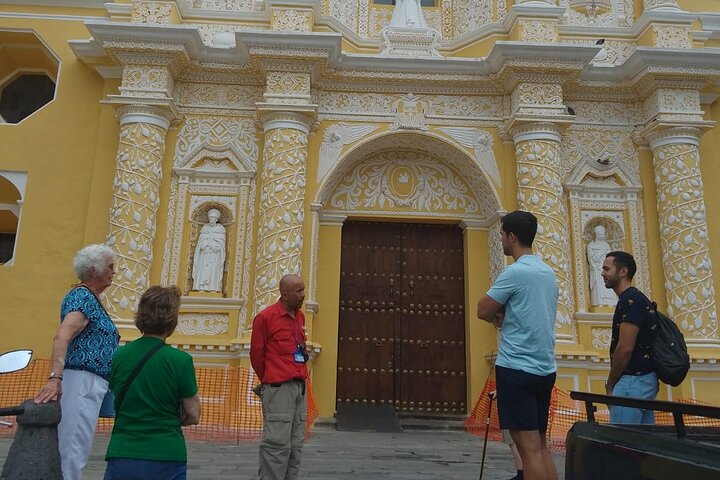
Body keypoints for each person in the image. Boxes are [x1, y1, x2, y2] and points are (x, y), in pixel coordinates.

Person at [476, 211, 559, 480]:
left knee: (529, 450)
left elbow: (483, 309)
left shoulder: (515, 272)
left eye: (501, 234)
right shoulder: (548, 273)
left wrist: (497, 316)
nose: (500, 238)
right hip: (545, 368)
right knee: (542, 447)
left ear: (512, 237)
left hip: (517, 368)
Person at [34, 244, 120, 480]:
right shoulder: (82, 297)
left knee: (77, 445)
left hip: (91, 383)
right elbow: (63, 335)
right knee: (72, 448)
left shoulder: (90, 298)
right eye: (110, 267)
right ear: (94, 270)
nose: (114, 272)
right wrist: (55, 378)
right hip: (81, 381)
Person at [103, 285, 201, 480]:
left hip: (123, 450)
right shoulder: (180, 361)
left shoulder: (118, 356)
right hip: (166, 452)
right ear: (172, 319)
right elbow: (193, 413)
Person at [250, 274, 309, 480]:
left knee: (295, 445)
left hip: (299, 387)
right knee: (277, 445)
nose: (303, 295)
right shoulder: (266, 318)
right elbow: (256, 355)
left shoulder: (300, 317)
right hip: (279, 388)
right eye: (299, 291)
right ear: (284, 294)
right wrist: (271, 380)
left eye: (303, 289)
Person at [601, 251, 659, 424]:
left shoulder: (629, 300)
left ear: (623, 271)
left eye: (606, 269)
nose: (602, 273)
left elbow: (625, 348)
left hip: (632, 382)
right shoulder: (638, 299)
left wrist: (611, 384)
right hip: (646, 380)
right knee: (642, 444)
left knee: (621, 444)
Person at [192, 208, 226, 292]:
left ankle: (213, 288)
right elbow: (201, 242)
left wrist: (216, 246)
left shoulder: (220, 228)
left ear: (217, 219)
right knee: (203, 269)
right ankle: (201, 287)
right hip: (205, 254)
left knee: (213, 271)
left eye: (213, 219)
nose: (211, 220)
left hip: (215, 255)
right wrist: (206, 244)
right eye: (210, 218)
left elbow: (222, 242)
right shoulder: (205, 228)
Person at [586, 225, 616, 306]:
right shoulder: (591, 245)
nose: (602, 235)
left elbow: (610, 257)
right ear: (596, 234)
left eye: (603, 234)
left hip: (605, 268)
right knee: (599, 285)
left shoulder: (606, 245)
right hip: (597, 269)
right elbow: (590, 258)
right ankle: (599, 303)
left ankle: (610, 303)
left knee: (607, 285)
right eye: (600, 234)